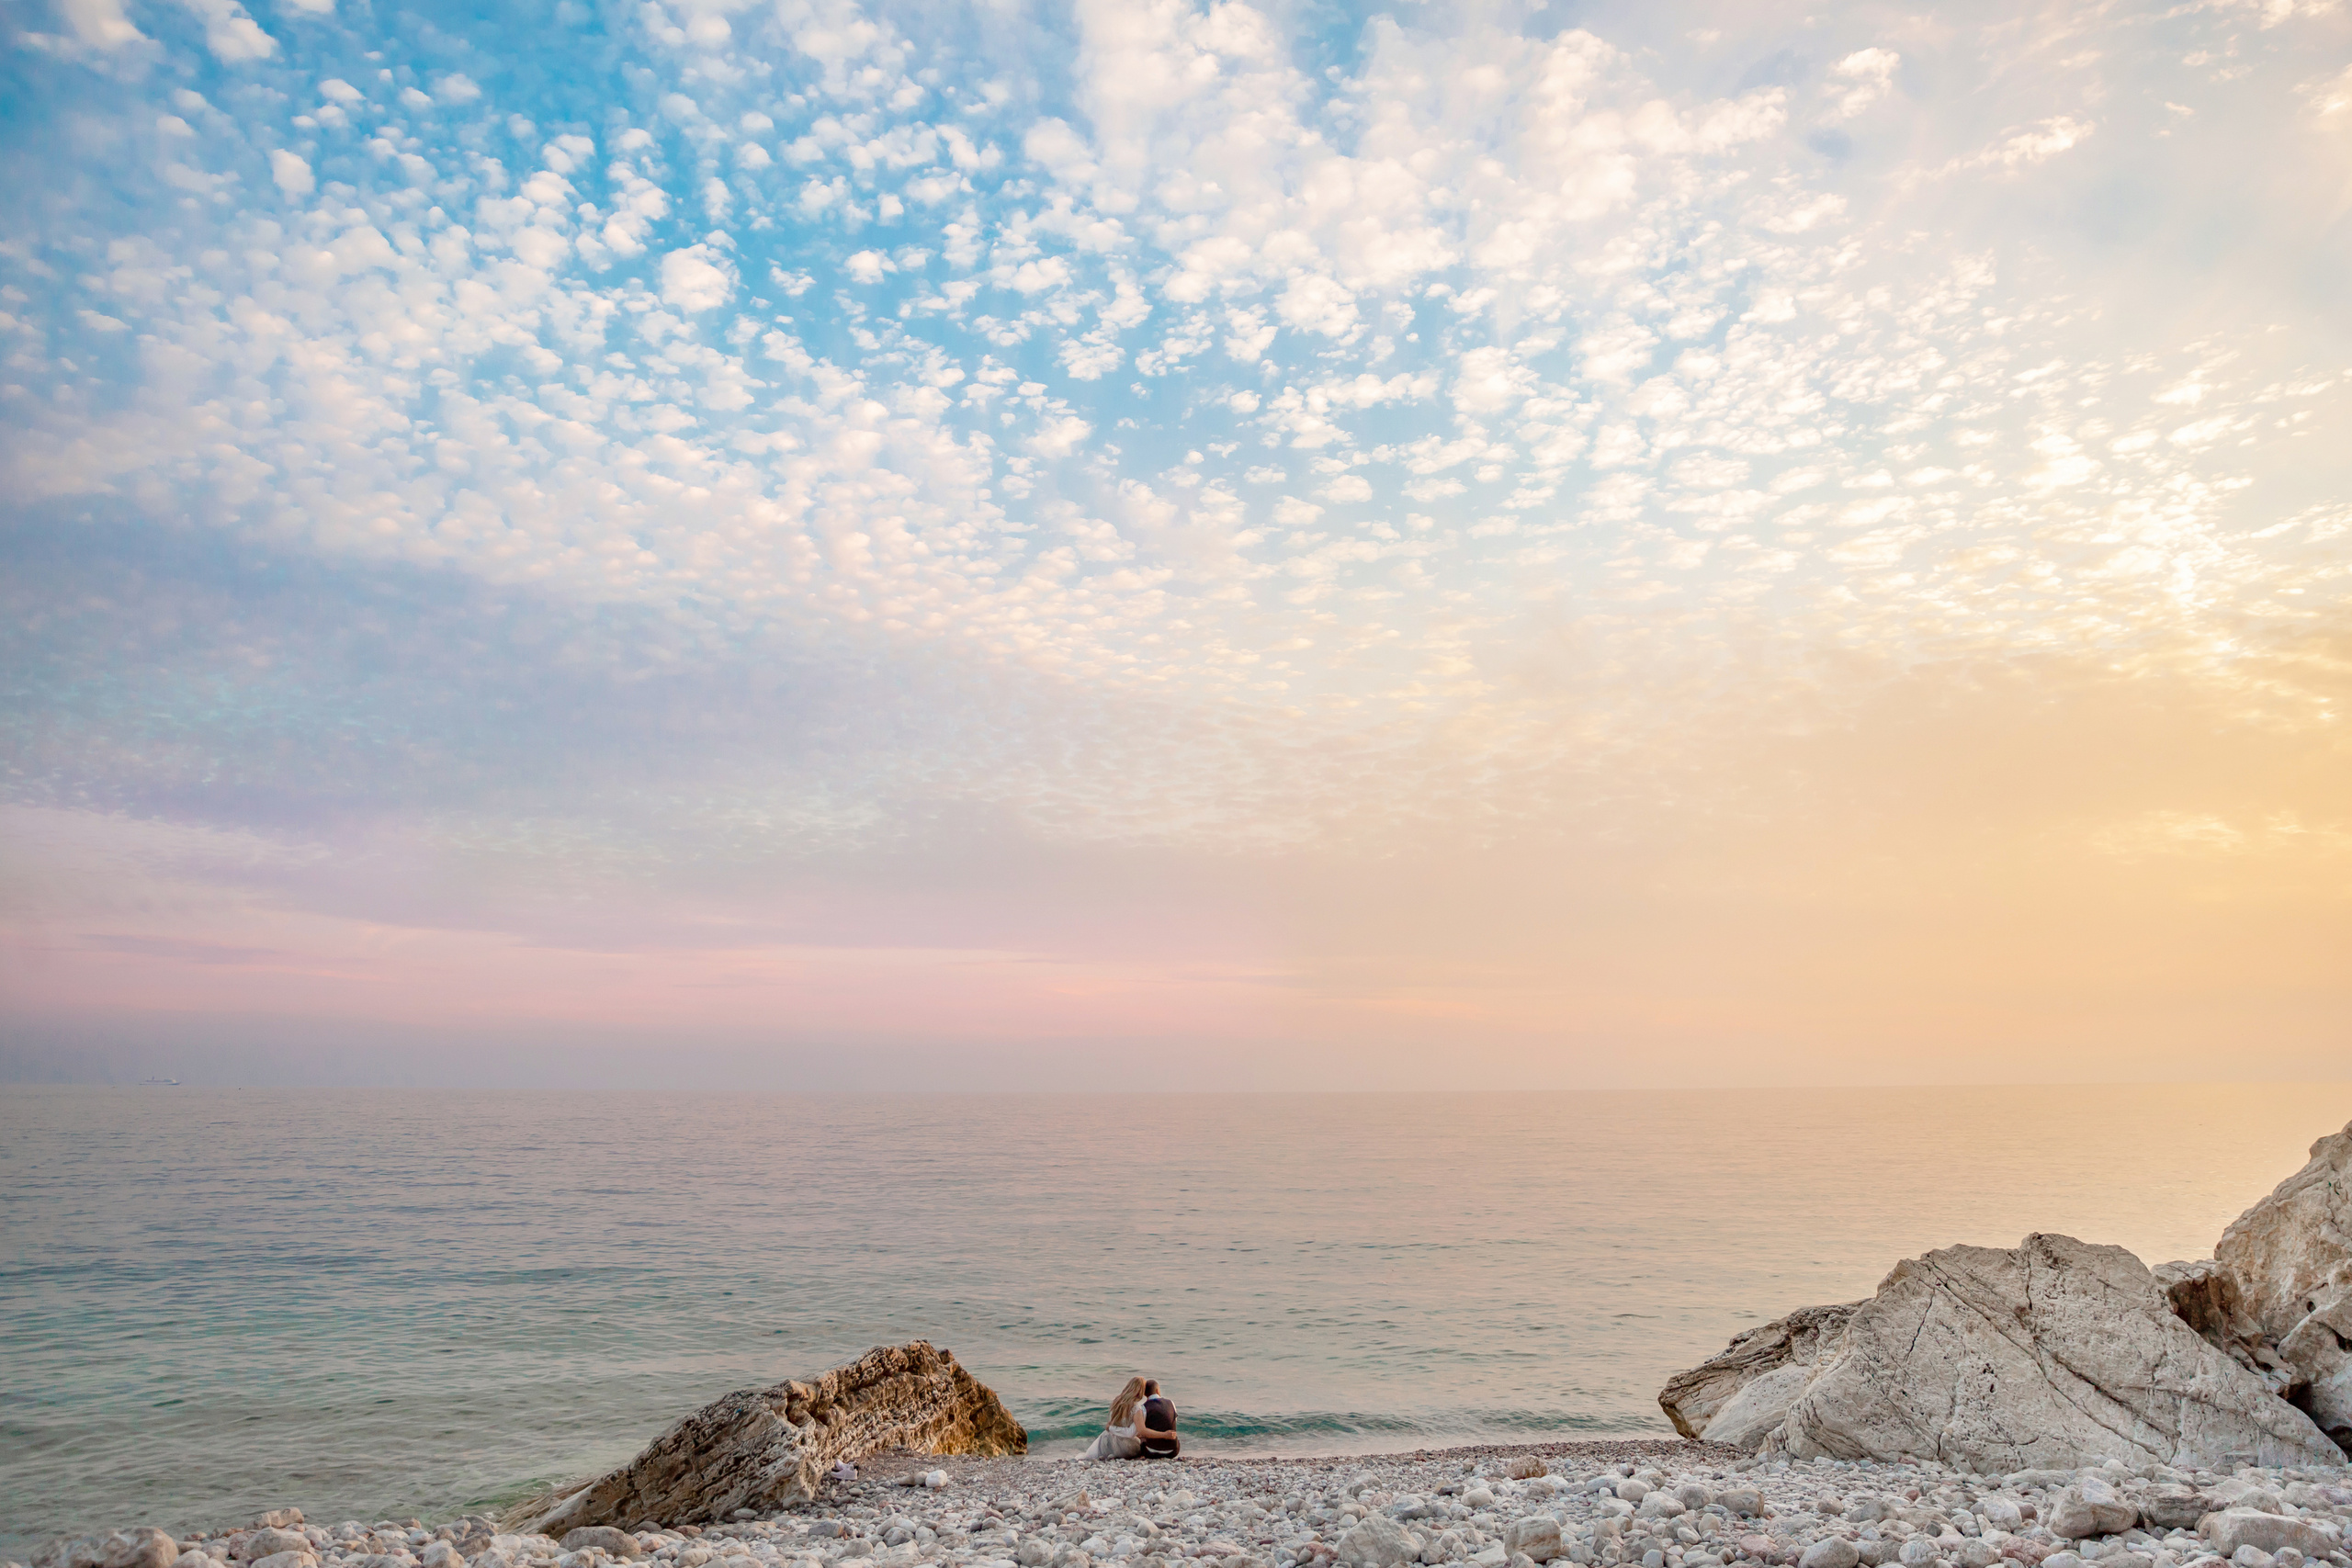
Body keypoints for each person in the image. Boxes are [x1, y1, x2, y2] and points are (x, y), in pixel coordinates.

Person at [1080, 1375, 1147, 1461]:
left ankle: (1112, 1454)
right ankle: (1118, 1454)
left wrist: (1111, 1428)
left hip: (1111, 1442)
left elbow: (1112, 1424)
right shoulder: (1136, 1408)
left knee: (1105, 1437)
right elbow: (1129, 1434)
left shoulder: (1116, 1402)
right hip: (1126, 1447)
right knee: (1139, 1444)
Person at [1136, 1379, 1180, 1459]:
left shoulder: (1143, 1408)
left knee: (1141, 1436)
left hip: (1150, 1451)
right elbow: (1173, 1422)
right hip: (1173, 1451)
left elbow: (1144, 1431)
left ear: (1145, 1394)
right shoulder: (1171, 1403)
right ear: (1157, 1390)